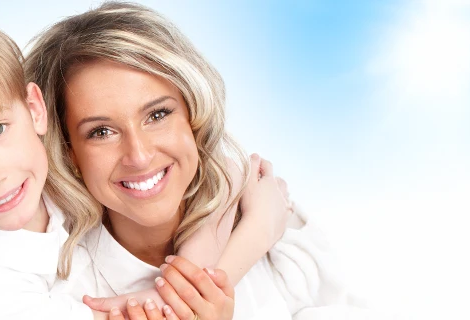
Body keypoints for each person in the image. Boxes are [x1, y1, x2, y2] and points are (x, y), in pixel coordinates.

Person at [0, 16, 287, 320]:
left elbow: (227, 172)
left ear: (35, 112)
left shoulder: (33, 173)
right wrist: (194, 296)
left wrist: (210, 268)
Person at [26, 2, 361, 319]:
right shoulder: (54, 288)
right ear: (67, 151)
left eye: (157, 114)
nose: (139, 156)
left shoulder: (279, 232)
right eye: (101, 132)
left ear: (193, 114)